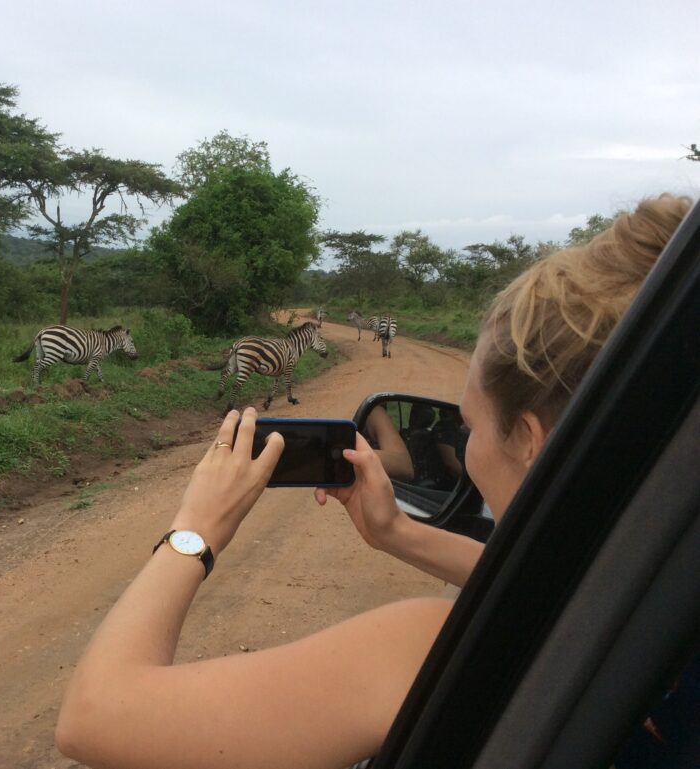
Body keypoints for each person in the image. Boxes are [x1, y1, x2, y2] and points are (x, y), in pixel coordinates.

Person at [55, 194, 693, 768]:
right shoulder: (666, 594)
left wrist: (194, 530)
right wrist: (395, 533)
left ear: (530, 439)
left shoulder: (423, 648)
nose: (463, 447)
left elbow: (94, 716)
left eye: (466, 427)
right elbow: (565, 582)